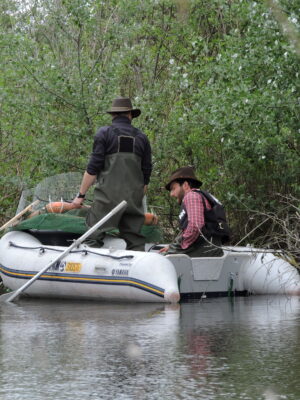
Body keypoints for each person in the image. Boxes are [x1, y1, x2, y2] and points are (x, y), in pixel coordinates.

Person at [72, 97, 152, 250]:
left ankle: (91, 270)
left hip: (106, 199)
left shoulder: (105, 133)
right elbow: (146, 174)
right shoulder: (142, 138)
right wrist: (136, 199)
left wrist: (80, 195)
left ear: (113, 115)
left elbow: (93, 169)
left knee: (92, 238)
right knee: (135, 242)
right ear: (130, 115)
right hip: (133, 200)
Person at [159, 166, 225, 257]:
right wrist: (171, 246)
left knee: (160, 258)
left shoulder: (191, 196)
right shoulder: (199, 195)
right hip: (211, 249)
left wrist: (176, 247)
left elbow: (195, 227)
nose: (171, 194)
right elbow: (189, 229)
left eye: (173, 188)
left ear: (185, 185)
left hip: (204, 249)